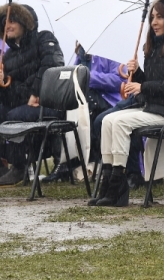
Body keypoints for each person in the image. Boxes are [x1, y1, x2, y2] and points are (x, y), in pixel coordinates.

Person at [88, 0, 164, 207]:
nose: (154, 22)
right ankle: (110, 185)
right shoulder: (153, 47)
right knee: (107, 121)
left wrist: (143, 86)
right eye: (152, 17)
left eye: (160, 17)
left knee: (120, 123)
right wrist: (138, 73)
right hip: (154, 108)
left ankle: (117, 187)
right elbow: (152, 83)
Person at [0, 2, 65, 186]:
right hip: (19, 105)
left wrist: (36, 92)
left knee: (14, 116)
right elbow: (10, 96)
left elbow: (51, 66)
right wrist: (0, 83)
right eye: (4, 22)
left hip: (46, 105)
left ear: (26, 23)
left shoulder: (45, 39)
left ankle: (20, 167)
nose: (7, 25)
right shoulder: (8, 55)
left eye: (13, 20)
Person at [43, 44, 125, 183]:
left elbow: (119, 80)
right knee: (62, 110)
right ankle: (66, 161)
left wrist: (87, 76)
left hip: (107, 100)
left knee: (83, 109)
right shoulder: (80, 53)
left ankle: (81, 161)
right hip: (84, 100)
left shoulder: (110, 51)